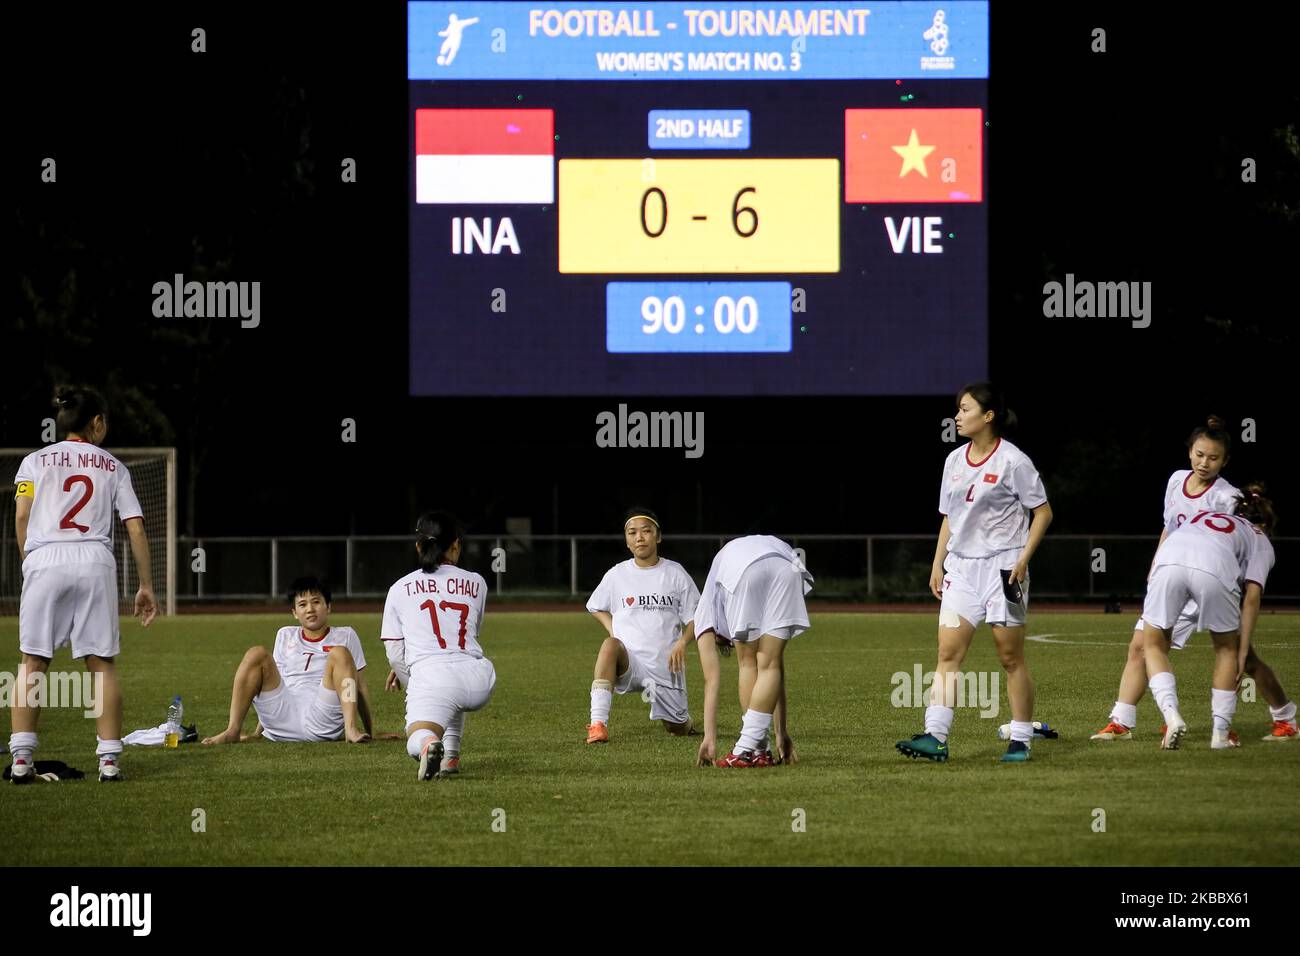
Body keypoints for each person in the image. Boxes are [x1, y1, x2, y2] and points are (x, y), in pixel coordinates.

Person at [1092, 420, 1295, 741]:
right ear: (1189, 452)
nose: (1204, 463)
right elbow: (1169, 526)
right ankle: (1122, 722)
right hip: (1174, 572)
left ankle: (1272, 719)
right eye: (1199, 454)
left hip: (1212, 579)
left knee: (1241, 656)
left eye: (1213, 458)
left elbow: (1240, 545)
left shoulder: (1228, 497)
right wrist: (1157, 564)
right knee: (1140, 647)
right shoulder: (1175, 481)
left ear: (1225, 461)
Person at [8, 385, 157, 784]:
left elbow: (21, 517)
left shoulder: (33, 462)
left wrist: (30, 563)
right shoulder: (113, 466)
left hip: (45, 560)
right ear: (97, 423)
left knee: (33, 661)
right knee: (100, 664)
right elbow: (136, 527)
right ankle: (109, 762)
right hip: (94, 560)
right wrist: (145, 585)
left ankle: (21, 759)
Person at [896, 383, 1052, 763]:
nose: (958, 416)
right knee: (947, 652)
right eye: (958, 409)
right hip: (962, 570)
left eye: (965, 409)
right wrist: (938, 562)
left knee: (1009, 657)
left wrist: (1023, 559)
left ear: (988, 416)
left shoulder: (1013, 461)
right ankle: (935, 736)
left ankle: (1020, 740)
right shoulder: (953, 461)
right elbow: (950, 516)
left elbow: (1043, 512)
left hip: (1004, 569)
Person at [1143, 486, 1278, 749]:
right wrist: (1241, 650)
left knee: (1153, 645)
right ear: (1263, 524)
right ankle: (1220, 734)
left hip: (1169, 557)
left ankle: (1171, 716)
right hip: (1214, 566)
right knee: (1226, 650)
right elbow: (1251, 598)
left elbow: (1171, 531)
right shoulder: (1260, 537)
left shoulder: (1203, 515)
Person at [381, 511, 495, 780]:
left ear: (418, 546)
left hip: (433, 674)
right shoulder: (477, 583)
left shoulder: (399, 588)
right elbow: (470, 632)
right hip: (479, 676)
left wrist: (415, 678)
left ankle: (428, 746)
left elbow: (396, 655)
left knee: (419, 734)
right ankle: (451, 757)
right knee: (449, 697)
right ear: (455, 545)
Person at [200, 577, 377, 746]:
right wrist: (258, 732)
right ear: (294, 613)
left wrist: (372, 731)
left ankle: (350, 730)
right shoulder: (285, 634)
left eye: (316, 602)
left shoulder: (346, 635)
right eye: (302, 604)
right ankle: (232, 731)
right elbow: (274, 682)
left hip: (323, 718)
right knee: (257, 653)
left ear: (328, 607)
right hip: (282, 720)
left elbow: (359, 686)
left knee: (340, 653)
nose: (309, 609)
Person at [692, 535, 812, 768]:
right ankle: (760, 750)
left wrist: (709, 737)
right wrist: (781, 733)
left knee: (748, 663)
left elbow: (711, 680)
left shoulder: (704, 613)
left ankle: (747, 748)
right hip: (788, 565)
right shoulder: (729, 556)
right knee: (771, 662)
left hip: (744, 570)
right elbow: (778, 675)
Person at [585, 508, 699, 744]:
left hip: (666, 667)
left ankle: (684, 720)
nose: (639, 537)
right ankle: (598, 725)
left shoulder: (675, 573)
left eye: (646, 531)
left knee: (677, 728)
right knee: (610, 646)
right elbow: (595, 606)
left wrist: (682, 642)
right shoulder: (617, 574)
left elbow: (696, 618)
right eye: (632, 532)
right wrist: (612, 628)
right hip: (631, 662)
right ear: (627, 541)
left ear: (657, 536)